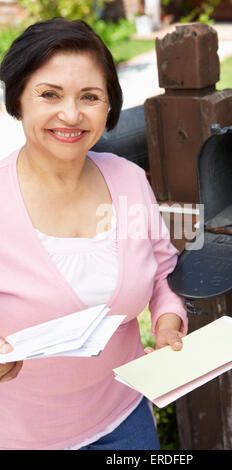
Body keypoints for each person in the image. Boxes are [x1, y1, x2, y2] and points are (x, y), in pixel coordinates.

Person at [0, 17, 188, 450]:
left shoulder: (127, 181)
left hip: (125, 423)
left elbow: (163, 270)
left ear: (109, 107)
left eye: (90, 96)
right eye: (49, 94)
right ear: (17, 100)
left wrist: (167, 322)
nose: (71, 114)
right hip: (19, 435)